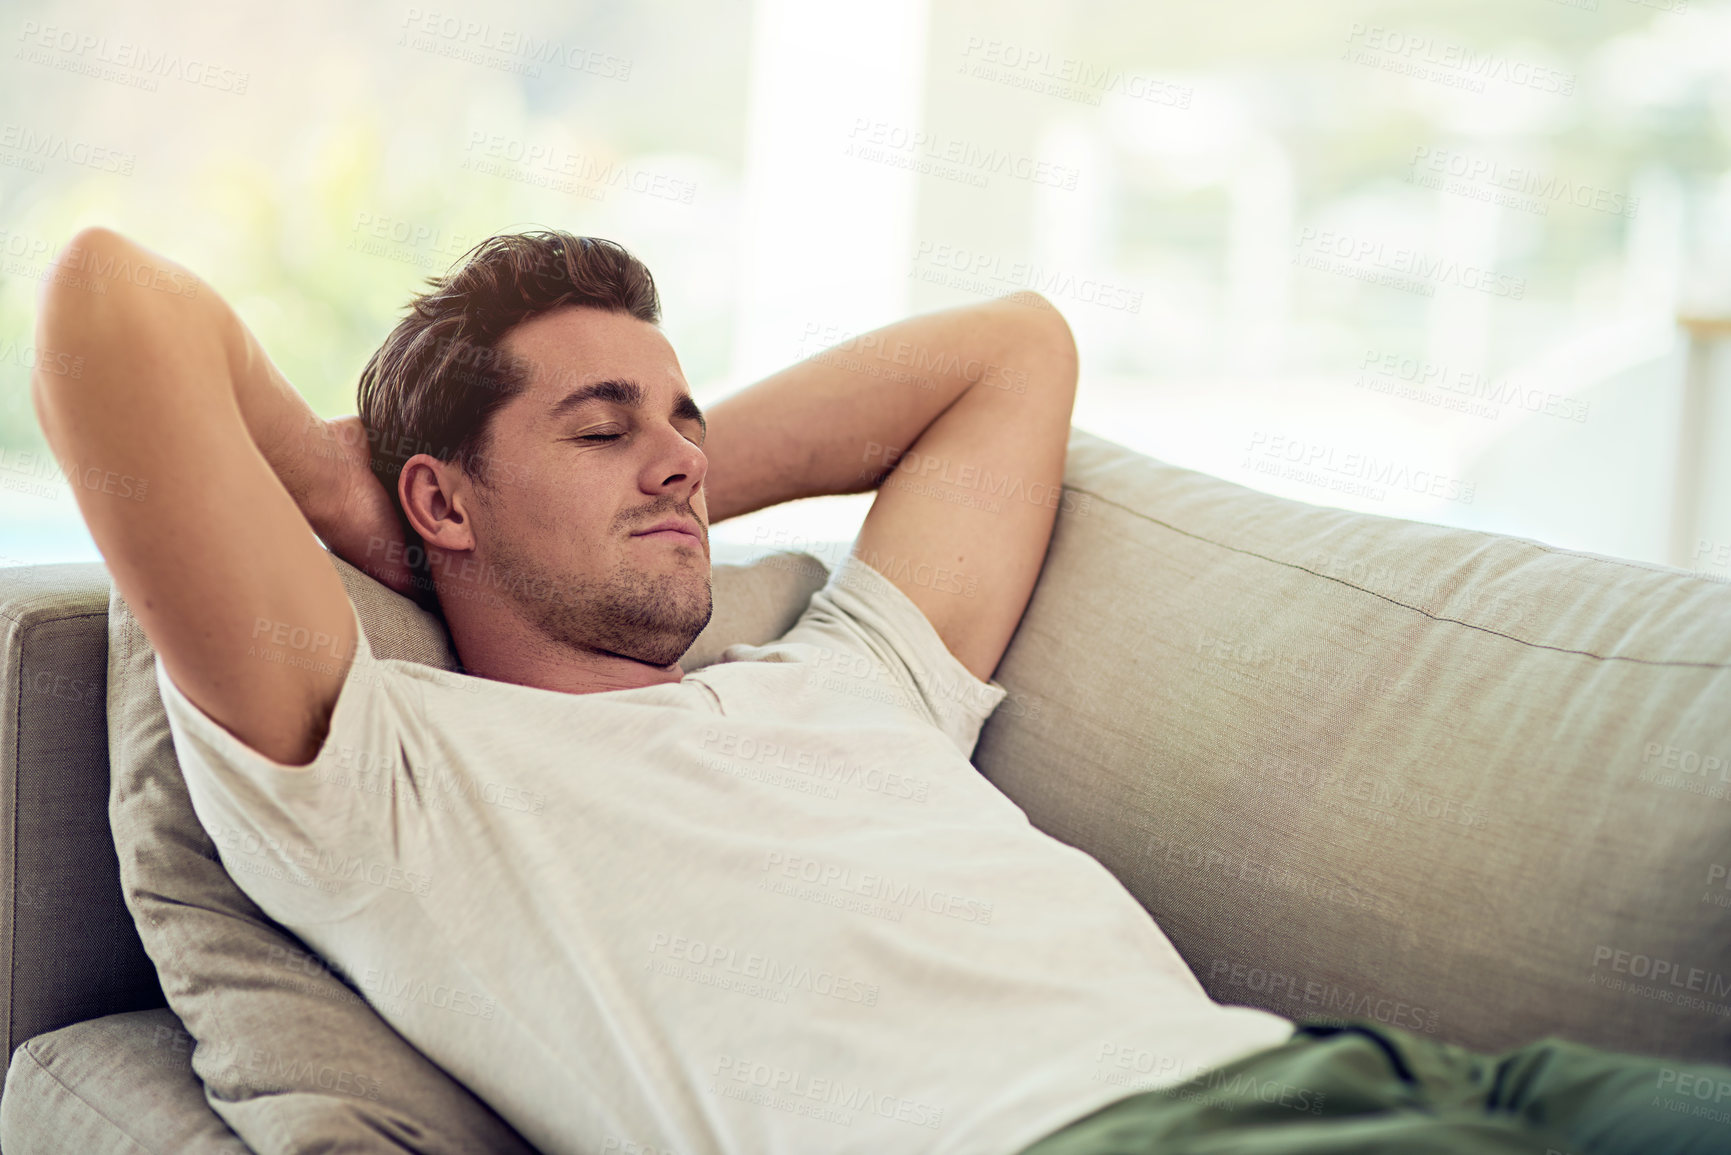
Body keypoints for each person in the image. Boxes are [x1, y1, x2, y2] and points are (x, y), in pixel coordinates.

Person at [29, 227, 1729, 1155]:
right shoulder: (392, 782)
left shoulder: (840, 675)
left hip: (1421, 1079)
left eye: (682, 418)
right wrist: (346, 490)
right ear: (442, 507)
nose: (680, 464)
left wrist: (657, 473)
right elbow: (110, 304)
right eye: (603, 426)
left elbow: (1016, 345)